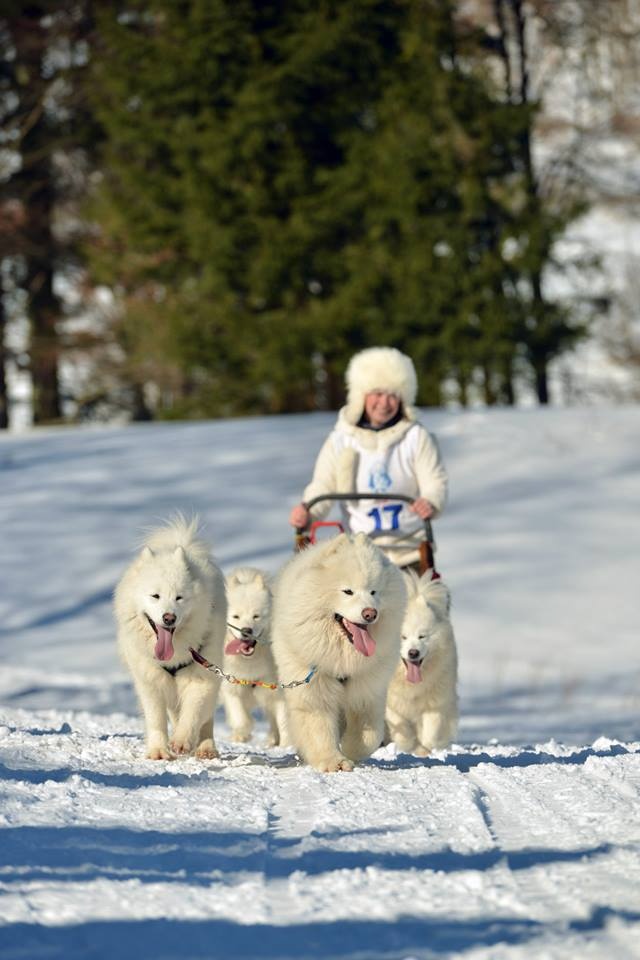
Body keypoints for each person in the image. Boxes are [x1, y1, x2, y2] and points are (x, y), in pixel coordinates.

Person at [288, 346, 448, 569]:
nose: (385, 403)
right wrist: (308, 512)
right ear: (361, 396)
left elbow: (435, 481)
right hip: (360, 554)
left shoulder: (415, 437)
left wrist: (430, 501)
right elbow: (323, 486)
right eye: (378, 393)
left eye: (393, 395)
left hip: (410, 550)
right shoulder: (342, 439)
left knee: (421, 602)